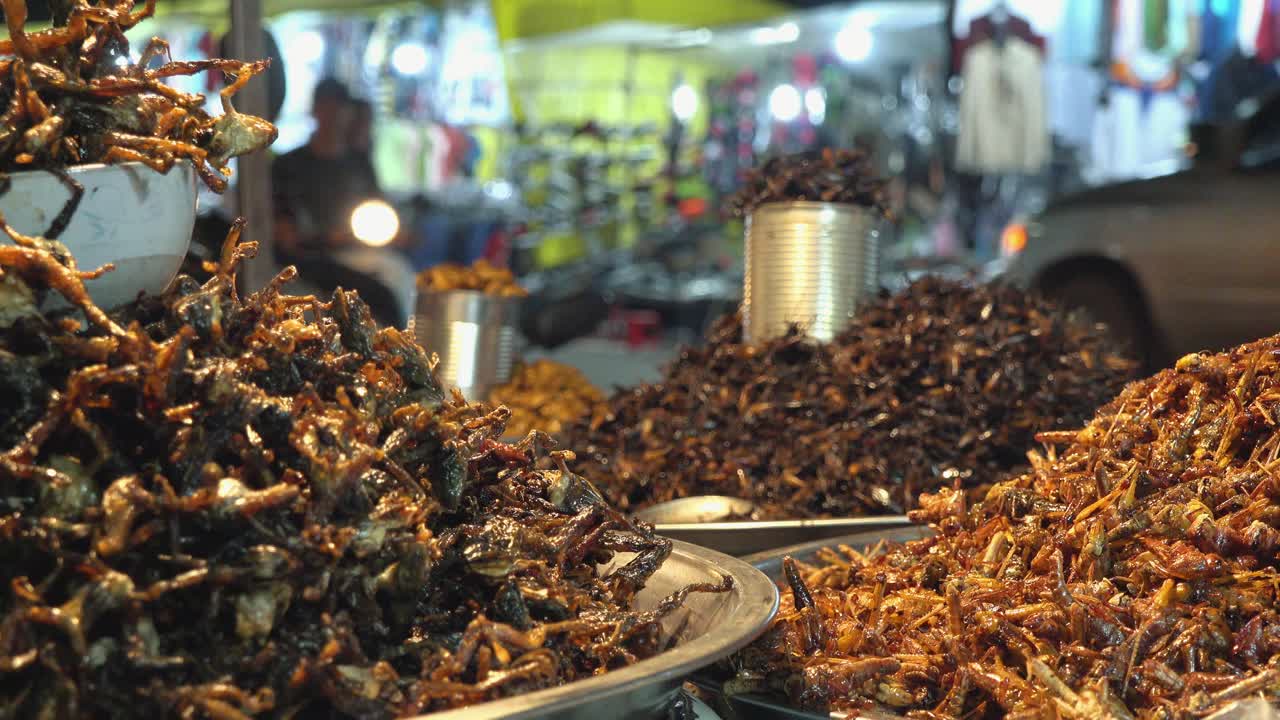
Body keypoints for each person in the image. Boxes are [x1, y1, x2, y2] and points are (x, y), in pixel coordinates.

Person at [272, 78, 404, 326]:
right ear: (315, 110)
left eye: (339, 108)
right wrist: (319, 238)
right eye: (326, 107)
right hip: (310, 259)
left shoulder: (359, 164)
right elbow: (285, 232)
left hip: (360, 251)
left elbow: (379, 210)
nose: (334, 116)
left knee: (399, 276)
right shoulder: (288, 165)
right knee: (383, 295)